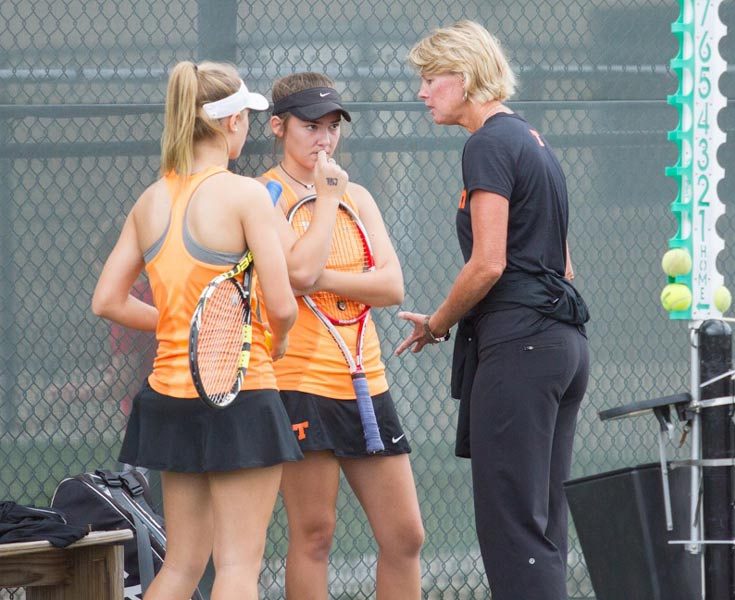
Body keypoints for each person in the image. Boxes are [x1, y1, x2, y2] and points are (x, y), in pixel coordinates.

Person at [91, 61, 348, 600]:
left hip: (167, 398)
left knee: (182, 566)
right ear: (232, 123)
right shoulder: (245, 195)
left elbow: (108, 301)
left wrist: (182, 329)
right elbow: (282, 306)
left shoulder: (150, 200)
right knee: (237, 568)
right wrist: (271, 343)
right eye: (247, 117)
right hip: (243, 396)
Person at [398, 21, 591, 600]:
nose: (422, 92)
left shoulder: (486, 143)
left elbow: (487, 264)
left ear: (464, 76)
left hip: (523, 351)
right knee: (540, 526)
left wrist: (436, 324)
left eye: (431, 79)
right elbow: (565, 265)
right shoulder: (533, 141)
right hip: (563, 348)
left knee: (514, 530)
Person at [258, 71, 424, 600]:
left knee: (405, 535)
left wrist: (320, 278)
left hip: (366, 382)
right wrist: (326, 202)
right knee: (315, 534)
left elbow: (391, 286)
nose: (324, 139)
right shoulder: (262, 195)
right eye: (311, 126)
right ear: (278, 127)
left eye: (332, 126)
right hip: (299, 383)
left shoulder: (361, 197)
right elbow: (294, 276)